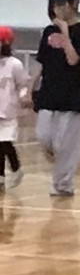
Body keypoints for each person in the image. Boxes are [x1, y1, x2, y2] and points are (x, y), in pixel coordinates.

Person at [33, 0, 80, 197]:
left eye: (62, 4)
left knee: (67, 145)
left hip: (70, 96)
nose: (58, 10)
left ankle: (63, 185)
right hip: (48, 93)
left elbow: (73, 60)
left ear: (73, 4)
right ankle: (60, 174)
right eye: (55, 5)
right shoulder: (48, 32)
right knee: (43, 136)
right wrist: (29, 87)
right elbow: (41, 62)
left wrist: (66, 34)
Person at [0, 27, 31, 192]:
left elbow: (22, 85)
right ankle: (0, 177)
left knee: (5, 143)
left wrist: (24, 97)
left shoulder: (15, 65)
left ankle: (16, 168)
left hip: (8, 111)